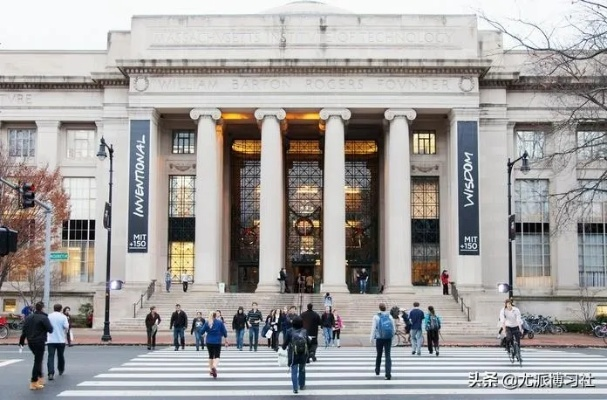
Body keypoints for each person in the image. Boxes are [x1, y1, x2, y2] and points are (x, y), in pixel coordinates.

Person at [19, 301, 53, 390]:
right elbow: (50, 329)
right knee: (37, 361)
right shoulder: (44, 317)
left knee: (38, 360)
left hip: (30, 341)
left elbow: (24, 330)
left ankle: (40, 378)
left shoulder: (29, 317)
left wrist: (21, 342)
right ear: (42, 308)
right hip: (39, 341)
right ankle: (34, 381)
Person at [282, 316, 310, 394]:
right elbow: (308, 342)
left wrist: (283, 347)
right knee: (302, 369)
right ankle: (302, 385)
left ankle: (295, 388)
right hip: (303, 353)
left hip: (293, 353)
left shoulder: (289, 331)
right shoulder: (305, 331)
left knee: (294, 371)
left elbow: (286, 342)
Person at [198, 311, 228, 379]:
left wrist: (203, 333)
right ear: (215, 316)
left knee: (210, 356)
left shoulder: (207, 322)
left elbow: (201, 331)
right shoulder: (220, 322)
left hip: (209, 341)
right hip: (217, 341)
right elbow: (224, 332)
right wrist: (226, 340)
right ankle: (214, 367)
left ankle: (211, 369)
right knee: (217, 356)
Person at [370, 303, 396, 380]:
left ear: (379, 308)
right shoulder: (390, 316)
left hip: (379, 338)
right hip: (388, 338)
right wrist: (392, 337)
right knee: (388, 355)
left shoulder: (376, 317)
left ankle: (377, 370)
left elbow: (373, 328)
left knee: (379, 354)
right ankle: (388, 374)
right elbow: (393, 329)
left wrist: (371, 338)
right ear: (385, 308)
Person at [46, 303, 69, 381]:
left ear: (53, 308)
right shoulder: (63, 317)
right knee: (60, 355)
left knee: (50, 356)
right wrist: (64, 333)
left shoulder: (49, 316)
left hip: (51, 340)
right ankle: (61, 369)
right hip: (61, 339)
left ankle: (51, 373)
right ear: (61, 309)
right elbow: (66, 327)